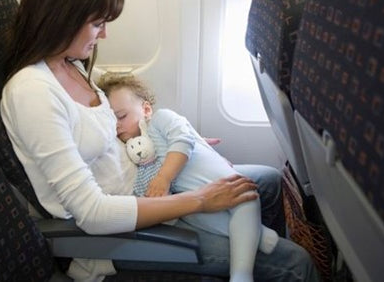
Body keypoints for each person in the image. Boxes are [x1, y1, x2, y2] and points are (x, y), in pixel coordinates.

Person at [0, 0, 320, 281]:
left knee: (265, 181)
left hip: (147, 182)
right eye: (97, 23)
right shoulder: (32, 93)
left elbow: (112, 136)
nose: (104, 34)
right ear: (61, 17)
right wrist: (198, 201)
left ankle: (246, 241)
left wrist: (170, 141)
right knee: (295, 263)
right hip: (118, 234)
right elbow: (92, 213)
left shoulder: (72, 65)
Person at [98, 74, 280, 282]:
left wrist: (164, 178)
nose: (117, 126)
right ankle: (257, 234)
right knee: (193, 214)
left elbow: (181, 139)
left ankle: (241, 275)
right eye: (111, 121)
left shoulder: (161, 118)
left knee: (245, 197)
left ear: (146, 110)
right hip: (191, 193)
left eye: (121, 117)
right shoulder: (136, 146)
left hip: (214, 178)